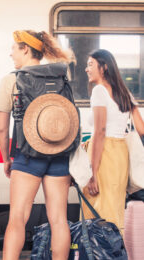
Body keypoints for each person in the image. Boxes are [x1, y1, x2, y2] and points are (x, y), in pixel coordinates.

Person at [0, 30, 75, 260]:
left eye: (13, 48)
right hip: (59, 154)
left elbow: (2, 128)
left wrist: (6, 158)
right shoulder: (61, 77)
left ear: (25, 49)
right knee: (58, 218)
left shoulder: (12, 79)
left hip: (27, 155)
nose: (11, 53)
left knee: (18, 217)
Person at [83, 49, 144, 235]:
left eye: (91, 64)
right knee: (115, 210)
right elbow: (141, 129)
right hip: (119, 154)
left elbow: (100, 132)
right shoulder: (123, 92)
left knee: (98, 212)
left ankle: (99, 253)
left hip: (104, 155)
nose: (87, 69)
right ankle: (116, 250)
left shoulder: (99, 91)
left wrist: (92, 173)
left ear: (104, 67)